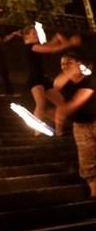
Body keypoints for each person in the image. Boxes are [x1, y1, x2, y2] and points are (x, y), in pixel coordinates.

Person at [22, 27, 80, 135]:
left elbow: (51, 44)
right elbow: (52, 49)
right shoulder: (31, 47)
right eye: (33, 33)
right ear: (26, 36)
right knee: (40, 103)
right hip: (35, 79)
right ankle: (37, 133)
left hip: (43, 78)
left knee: (61, 103)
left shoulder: (37, 45)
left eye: (36, 33)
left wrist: (56, 37)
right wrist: (70, 42)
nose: (36, 35)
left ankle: (58, 131)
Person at [54, 51, 96, 198]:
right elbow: (57, 84)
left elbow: (80, 99)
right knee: (86, 158)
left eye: (69, 63)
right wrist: (69, 70)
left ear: (79, 64)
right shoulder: (65, 82)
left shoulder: (89, 79)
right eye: (62, 64)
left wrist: (61, 112)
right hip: (79, 124)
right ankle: (94, 191)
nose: (65, 66)